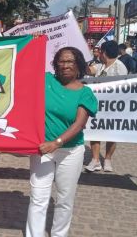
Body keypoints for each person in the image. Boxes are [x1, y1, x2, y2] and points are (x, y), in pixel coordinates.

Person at [26, 47, 97, 237]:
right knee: (38, 197)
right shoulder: (46, 80)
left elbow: (79, 124)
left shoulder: (85, 92)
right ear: (56, 64)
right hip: (42, 150)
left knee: (65, 199)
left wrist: (56, 143)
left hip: (70, 152)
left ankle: (59, 234)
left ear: (79, 65)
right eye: (61, 61)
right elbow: (25, 65)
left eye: (70, 61)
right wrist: (32, 41)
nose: (65, 65)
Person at [85, 40, 127, 172]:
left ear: (104, 52)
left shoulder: (120, 67)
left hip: (113, 107)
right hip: (98, 106)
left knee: (111, 134)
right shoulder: (100, 66)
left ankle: (107, 159)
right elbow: (90, 70)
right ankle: (95, 160)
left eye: (100, 52)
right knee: (95, 132)